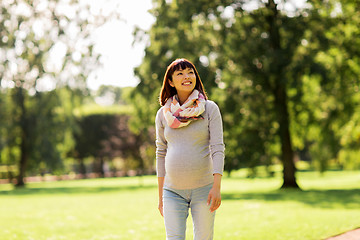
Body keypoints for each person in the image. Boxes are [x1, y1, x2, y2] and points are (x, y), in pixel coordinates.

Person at [155, 58, 225, 240]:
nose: (187, 76)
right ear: (170, 81)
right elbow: (161, 153)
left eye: (190, 72)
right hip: (172, 191)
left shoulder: (209, 109)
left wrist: (216, 186)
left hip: (204, 189)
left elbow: (218, 148)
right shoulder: (163, 114)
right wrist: (161, 195)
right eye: (180, 73)